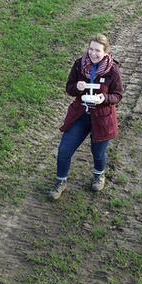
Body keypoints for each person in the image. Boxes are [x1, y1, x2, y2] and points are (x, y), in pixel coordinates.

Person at [48, 34, 124, 200]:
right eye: (91, 49)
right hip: (80, 114)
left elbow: (118, 95)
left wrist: (104, 98)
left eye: (97, 50)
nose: (93, 53)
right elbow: (69, 88)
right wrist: (77, 87)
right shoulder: (79, 65)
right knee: (64, 150)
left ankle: (99, 174)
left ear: (105, 52)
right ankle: (61, 181)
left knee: (98, 152)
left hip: (102, 117)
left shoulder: (113, 71)